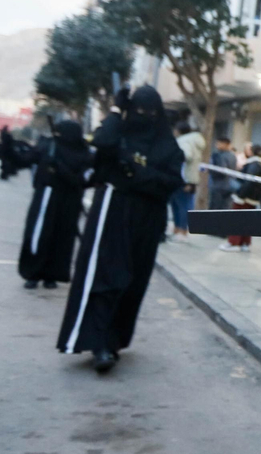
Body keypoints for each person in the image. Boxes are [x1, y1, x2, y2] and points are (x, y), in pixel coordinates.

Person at [57, 85, 185, 373]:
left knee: (133, 281)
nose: (145, 117)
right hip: (113, 210)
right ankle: (97, 342)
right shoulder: (118, 133)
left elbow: (171, 182)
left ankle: (113, 341)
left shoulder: (168, 147)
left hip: (148, 218)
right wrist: (115, 111)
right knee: (105, 275)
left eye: (151, 113)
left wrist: (134, 171)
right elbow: (102, 142)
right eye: (138, 111)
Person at [18, 119, 92, 290]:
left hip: (69, 201)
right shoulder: (49, 147)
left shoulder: (84, 153)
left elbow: (84, 179)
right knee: (39, 235)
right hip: (47, 197)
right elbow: (26, 159)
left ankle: (52, 275)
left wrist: (60, 169)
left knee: (62, 238)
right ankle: (33, 273)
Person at [220, 143, 261, 252]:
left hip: (244, 197)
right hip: (252, 197)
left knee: (237, 220)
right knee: (247, 221)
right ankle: (245, 243)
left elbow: (248, 182)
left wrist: (240, 195)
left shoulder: (254, 164)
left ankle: (234, 243)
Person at [170, 120, 206, 243]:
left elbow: (186, 155)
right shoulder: (194, 140)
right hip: (191, 177)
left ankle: (181, 231)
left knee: (181, 204)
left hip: (183, 177)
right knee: (182, 203)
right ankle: (179, 230)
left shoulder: (184, 141)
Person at [208, 136, 238, 209]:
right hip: (229, 186)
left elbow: (220, 170)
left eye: (219, 144)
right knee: (225, 208)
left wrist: (211, 170)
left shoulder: (220, 156)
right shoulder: (232, 156)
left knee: (215, 209)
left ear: (225, 144)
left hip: (219, 186)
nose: (217, 146)